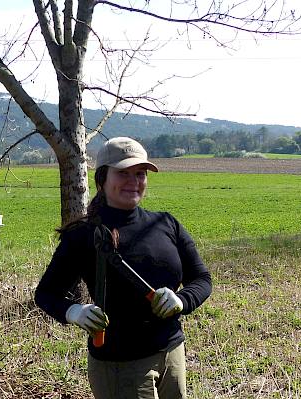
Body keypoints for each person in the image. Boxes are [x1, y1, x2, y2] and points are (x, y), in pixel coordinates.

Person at [34, 137, 213, 399]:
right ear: (102, 179)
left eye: (140, 174)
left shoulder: (165, 223)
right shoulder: (84, 235)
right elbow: (46, 294)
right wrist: (74, 312)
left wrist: (181, 300)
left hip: (172, 351)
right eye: (123, 173)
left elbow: (201, 278)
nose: (134, 181)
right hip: (121, 365)